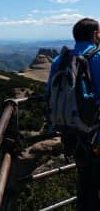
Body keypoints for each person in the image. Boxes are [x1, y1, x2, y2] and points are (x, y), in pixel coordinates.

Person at [48, 17, 100, 210]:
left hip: (70, 131)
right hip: (95, 132)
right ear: (95, 34)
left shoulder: (60, 59)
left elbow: (48, 93)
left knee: (85, 180)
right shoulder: (97, 56)